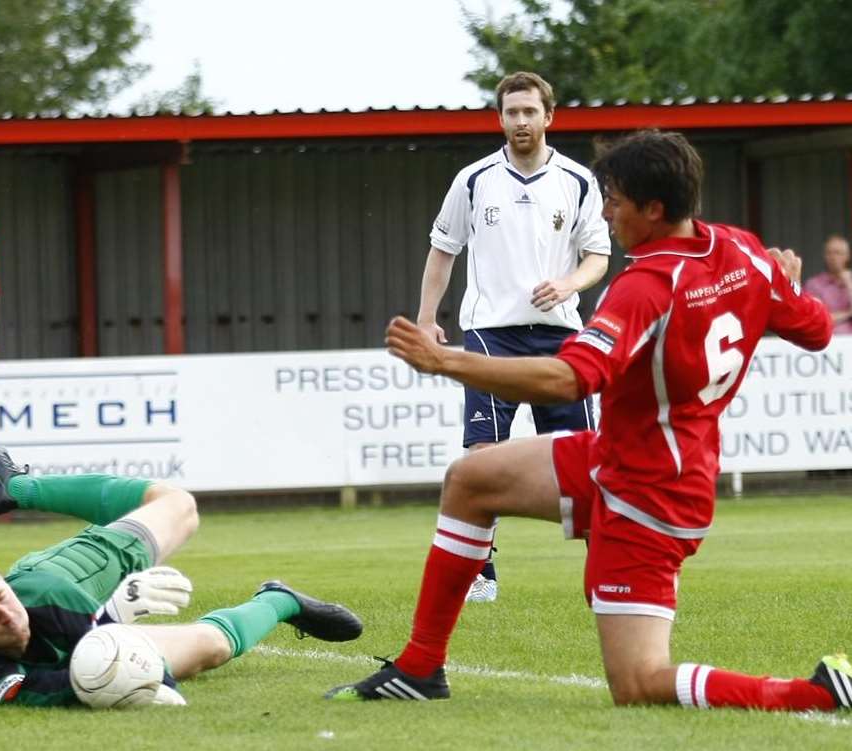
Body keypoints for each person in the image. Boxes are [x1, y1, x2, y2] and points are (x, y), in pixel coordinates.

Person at [326, 130, 852, 712]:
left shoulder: (642, 289)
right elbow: (818, 329)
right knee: (470, 480)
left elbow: (569, 379)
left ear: (654, 210)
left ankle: (816, 693)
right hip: (619, 456)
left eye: (616, 200)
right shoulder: (743, 251)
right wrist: (784, 284)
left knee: (638, 682)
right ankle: (420, 668)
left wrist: (446, 360)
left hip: (649, 495)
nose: (605, 210)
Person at [0, 443, 363, 706]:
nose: (5, 613)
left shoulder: (48, 595)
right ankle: (279, 599)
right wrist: (136, 664)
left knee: (180, 505)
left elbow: (95, 652)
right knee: (210, 648)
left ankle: (18, 489)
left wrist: (112, 621)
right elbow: (64, 684)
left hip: (76, 573)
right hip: (86, 628)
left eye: (1, 596)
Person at [416, 71, 611, 602]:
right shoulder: (474, 179)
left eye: (530, 112)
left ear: (549, 117)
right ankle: (481, 571)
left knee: (586, 455)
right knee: (482, 455)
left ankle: (609, 573)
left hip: (561, 336)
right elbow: (443, 248)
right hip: (490, 334)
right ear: (499, 118)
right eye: (511, 112)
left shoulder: (577, 181)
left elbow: (598, 254)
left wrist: (569, 282)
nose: (521, 121)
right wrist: (427, 317)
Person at [803, 234, 852, 335]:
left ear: (847, 256)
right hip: (825, 341)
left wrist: (849, 284)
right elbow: (815, 319)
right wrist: (848, 313)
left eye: (838, 253)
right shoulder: (814, 284)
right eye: (829, 253)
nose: (833, 257)